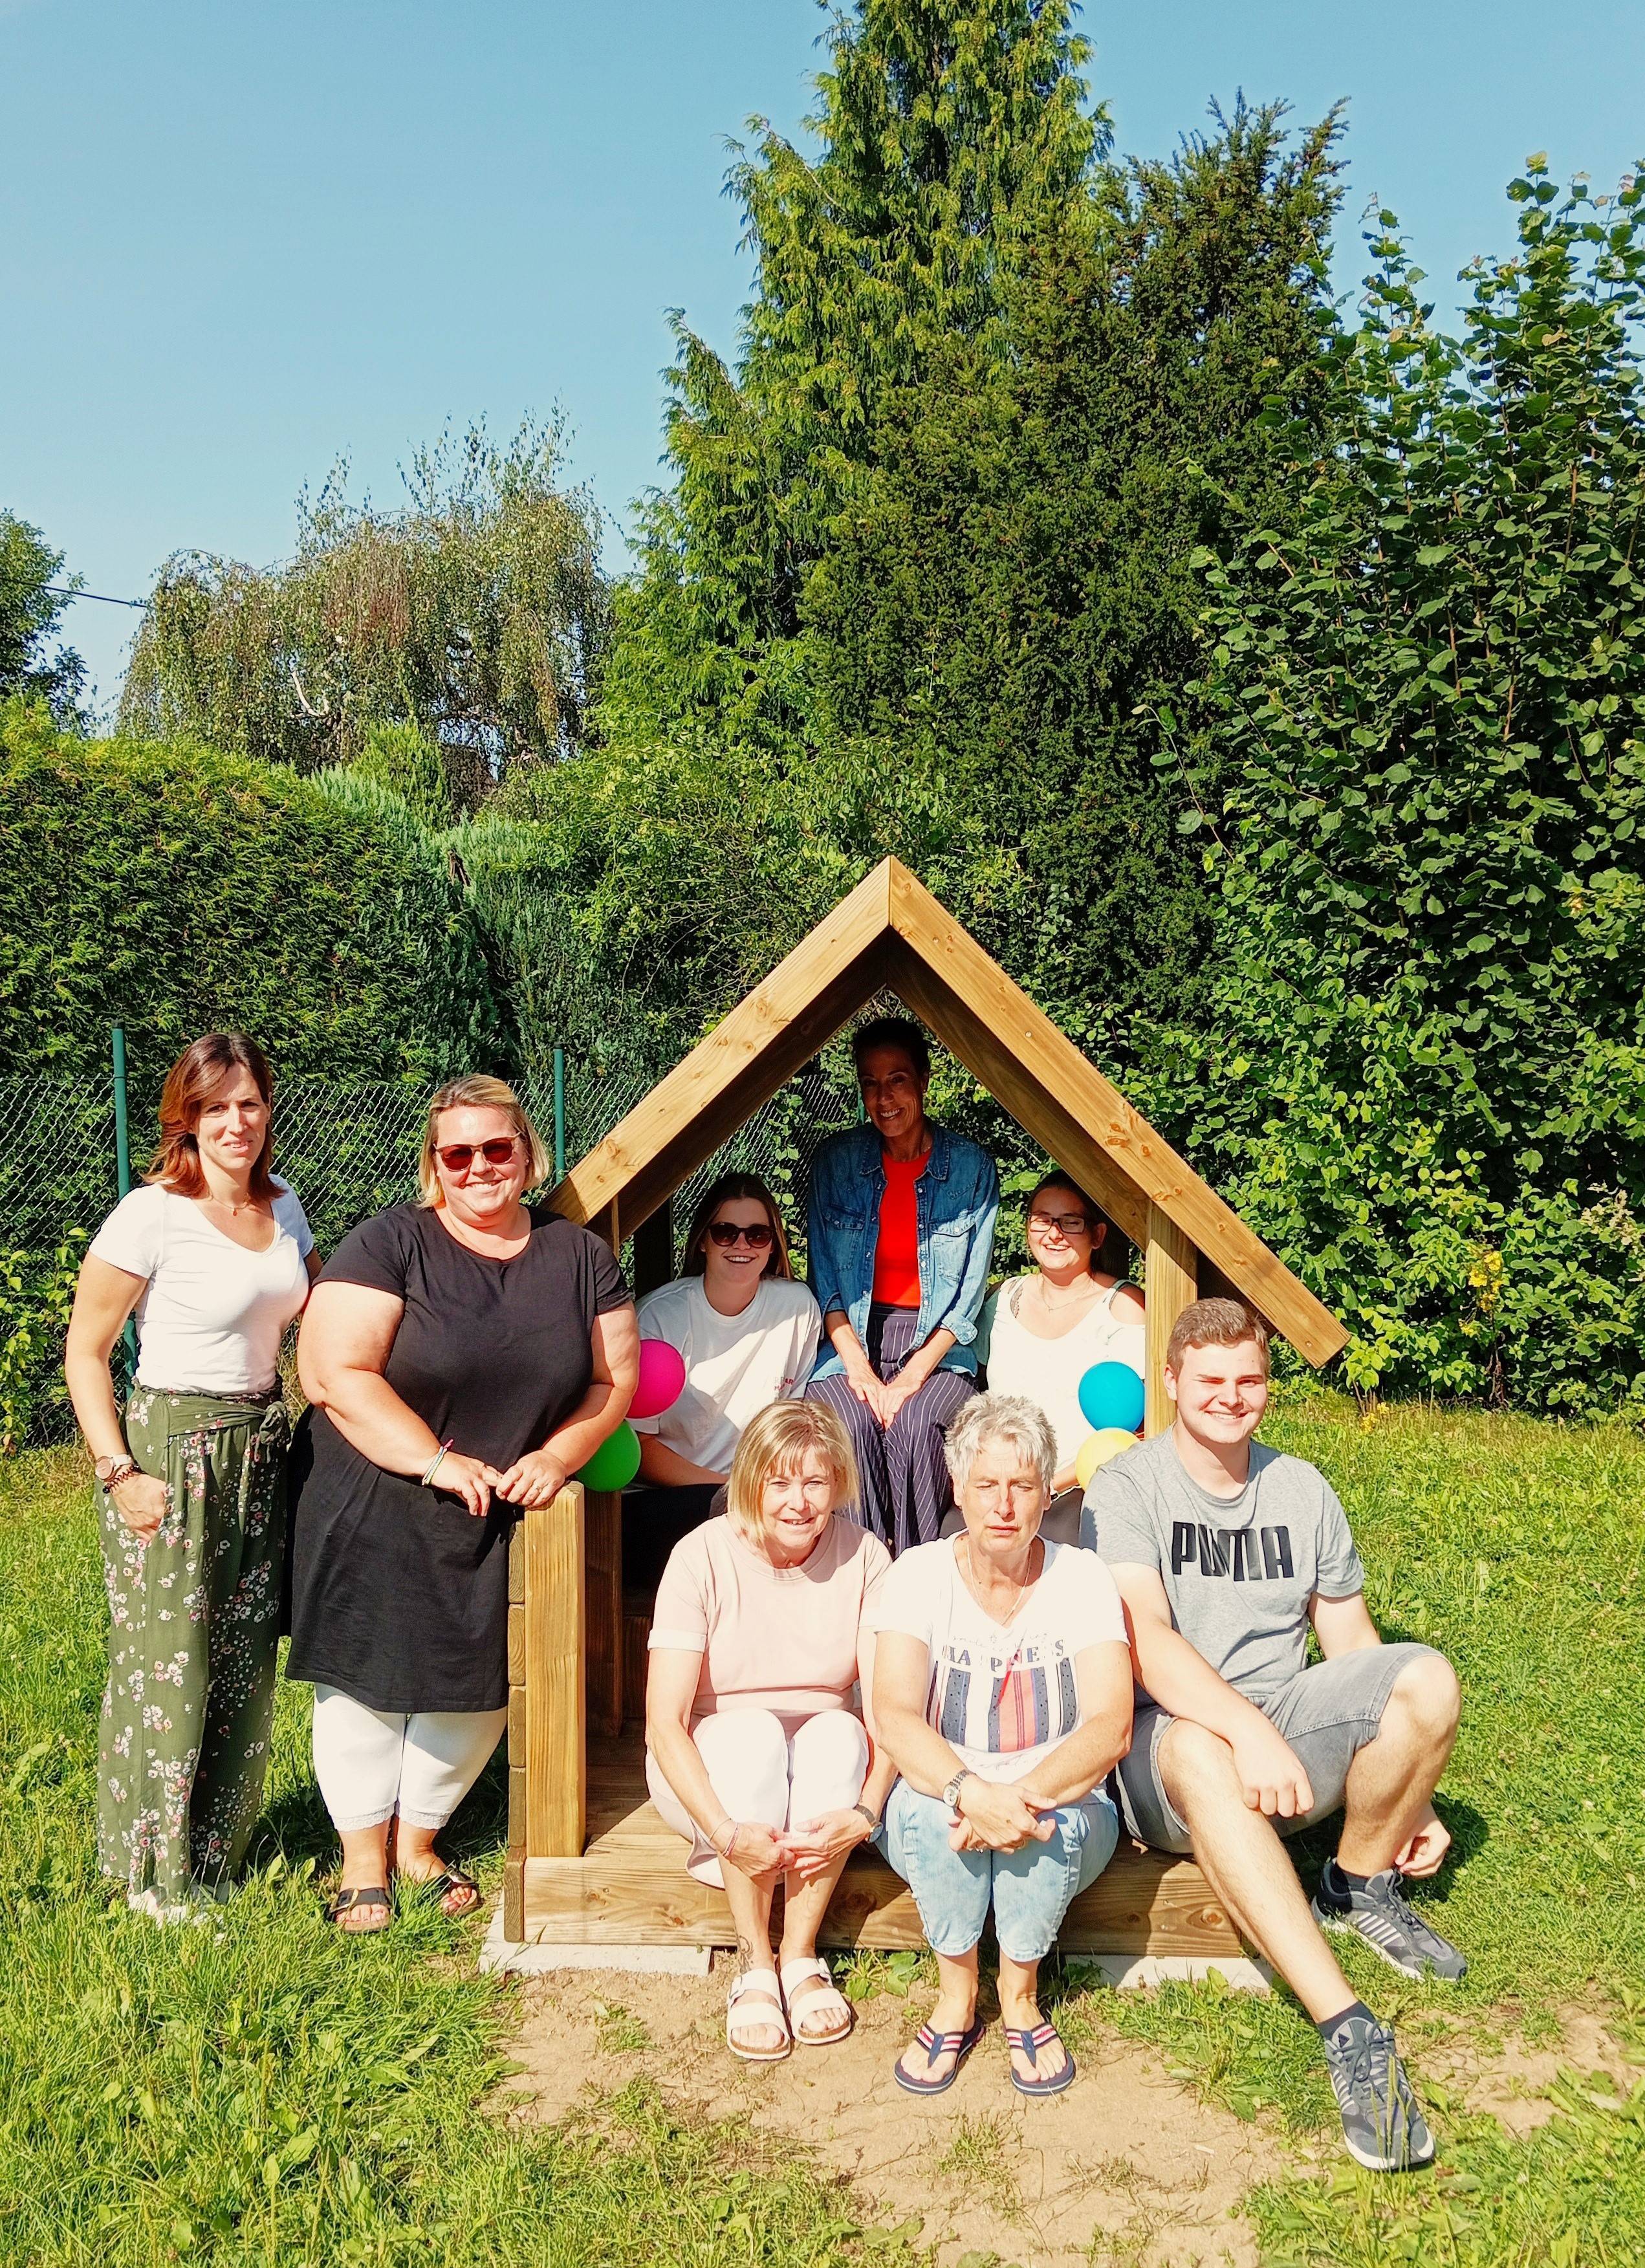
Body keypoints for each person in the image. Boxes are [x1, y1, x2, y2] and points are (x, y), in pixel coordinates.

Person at [1085, 1297, 1465, 2172]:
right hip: (1163, 1746)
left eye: (1247, 1379)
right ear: (1170, 1381)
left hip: (1280, 1729)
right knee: (1195, 1746)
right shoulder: (1127, 1485)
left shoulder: (1299, 1486)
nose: (1229, 1395)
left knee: (1426, 1677)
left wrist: (1415, 1791)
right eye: (1208, 1379)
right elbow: (1141, 1637)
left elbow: (1350, 1644)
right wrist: (1244, 1726)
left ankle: (1357, 1882)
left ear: (1267, 1384)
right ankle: (1346, 2025)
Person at [288, 1074, 638, 1933]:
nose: (478, 1165)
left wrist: (557, 1456)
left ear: (527, 1153)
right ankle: (362, 1858)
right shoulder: (389, 1243)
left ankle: (419, 1841)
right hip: (376, 1488)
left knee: (479, 1684)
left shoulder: (579, 1255)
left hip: (502, 1503)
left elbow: (613, 1377)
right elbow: (332, 1372)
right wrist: (436, 1461)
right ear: (433, 1164)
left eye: (495, 1147)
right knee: (365, 1680)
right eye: (457, 1152)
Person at [64, 1032, 320, 1920]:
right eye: (216, 1106)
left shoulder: (286, 1207)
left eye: (249, 1102)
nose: (236, 1121)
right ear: (187, 1117)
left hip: (261, 1448)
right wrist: (117, 1470)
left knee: (245, 1659)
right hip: (174, 1446)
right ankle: (153, 1875)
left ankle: (219, 1854)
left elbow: (319, 1320)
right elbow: (87, 1350)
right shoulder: (151, 1213)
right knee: (168, 1660)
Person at [869, 1395, 1132, 2097]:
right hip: (941, 1794)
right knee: (927, 1813)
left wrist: (1016, 1800)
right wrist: (969, 1792)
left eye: (1022, 1485)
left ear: (1049, 1491)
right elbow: (892, 1713)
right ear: (956, 1487)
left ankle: (1019, 1996)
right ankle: (956, 1996)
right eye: (985, 1485)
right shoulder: (916, 1574)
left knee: (1045, 1828)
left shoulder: (1081, 1577)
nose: (1003, 1504)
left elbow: (1109, 1722)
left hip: (1057, 1798)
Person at [646, 1399, 895, 2062]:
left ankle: (800, 1953)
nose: (797, 1501)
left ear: (838, 1482)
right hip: (710, 1759)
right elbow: (664, 1723)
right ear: (750, 1478)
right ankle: (753, 1961)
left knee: (840, 1732)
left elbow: (888, 1710)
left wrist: (866, 1811)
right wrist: (725, 1831)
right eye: (778, 1480)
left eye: (815, 1481)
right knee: (752, 1732)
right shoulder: (700, 1554)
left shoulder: (866, 1554)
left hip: (819, 1766)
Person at [805, 1017, 998, 1552]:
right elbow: (826, 1287)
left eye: (897, 1080)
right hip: (849, 1343)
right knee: (848, 1427)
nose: (883, 1097)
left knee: (915, 1431)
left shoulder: (970, 1169)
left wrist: (911, 1376)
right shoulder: (835, 1163)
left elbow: (965, 1304)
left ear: (923, 1081)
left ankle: (912, 1580)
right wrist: (861, 1372)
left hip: (937, 1347)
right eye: (870, 1082)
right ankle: (862, 1580)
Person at [625, 1173, 821, 1589]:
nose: (741, 1245)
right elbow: (638, 1447)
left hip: (761, 1499)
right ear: (703, 1240)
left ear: (774, 1244)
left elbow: (793, 1422)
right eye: (725, 1232)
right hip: (669, 1499)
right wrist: (734, 1490)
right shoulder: (659, 1317)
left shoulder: (798, 1308)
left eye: (757, 1234)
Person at [970, 1170, 1146, 1543]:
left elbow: (1136, 1426)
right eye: (1042, 1220)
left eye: (1071, 1222)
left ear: (1097, 1235)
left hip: (1082, 1489)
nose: (1054, 1234)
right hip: (1003, 1483)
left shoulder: (1124, 1306)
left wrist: (1050, 1485)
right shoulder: (1000, 1300)